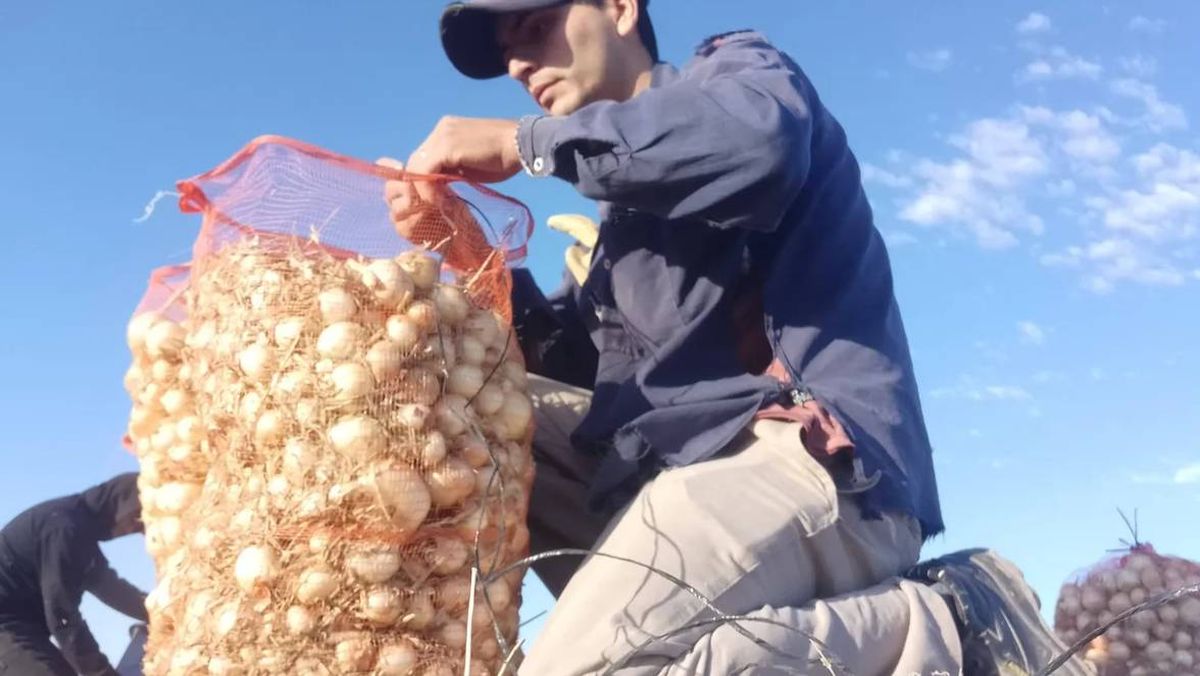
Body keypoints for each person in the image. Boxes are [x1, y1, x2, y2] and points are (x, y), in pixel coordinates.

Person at [384, 1, 1092, 673]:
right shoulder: (620, 241)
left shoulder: (737, 73)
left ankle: (948, 624)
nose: (517, 64)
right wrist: (468, 251)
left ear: (621, 8)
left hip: (816, 460)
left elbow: (760, 146)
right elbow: (574, 375)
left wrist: (524, 142)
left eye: (537, 27)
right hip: (674, 475)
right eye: (507, 52)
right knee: (465, 408)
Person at [0, 473, 148, 676]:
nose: (134, 530)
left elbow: (114, 591)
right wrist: (102, 673)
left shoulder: (79, 535)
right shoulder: (63, 528)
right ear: (124, 504)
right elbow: (62, 618)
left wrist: (160, 614)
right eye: (137, 521)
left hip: (23, 624)